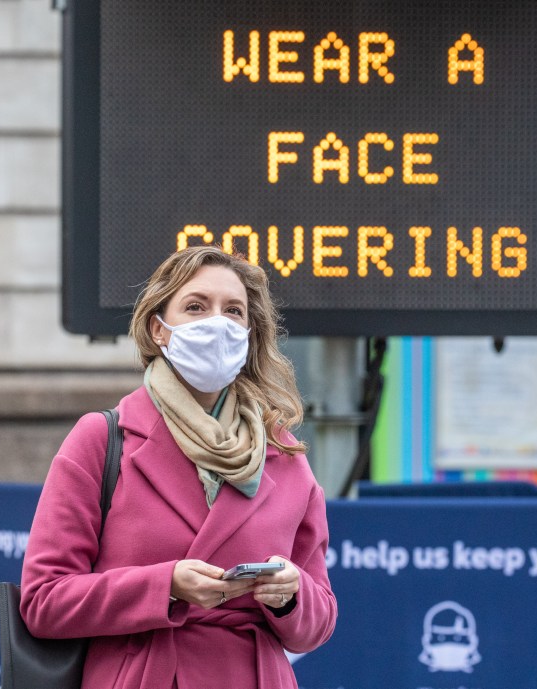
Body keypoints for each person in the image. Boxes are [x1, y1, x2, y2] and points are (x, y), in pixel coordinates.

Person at [20, 246, 337, 689]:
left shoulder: (285, 455)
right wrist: (165, 585)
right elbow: (43, 601)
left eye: (233, 311)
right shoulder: (102, 439)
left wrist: (290, 595)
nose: (217, 323)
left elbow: (319, 621)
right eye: (195, 306)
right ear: (159, 330)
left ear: (248, 334)